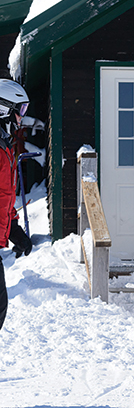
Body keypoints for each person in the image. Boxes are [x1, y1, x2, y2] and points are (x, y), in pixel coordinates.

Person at [0, 79, 32, 331]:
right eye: (19, 110)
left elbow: (4, 196)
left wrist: (13, 229)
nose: (22, 118)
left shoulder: (5, 148)